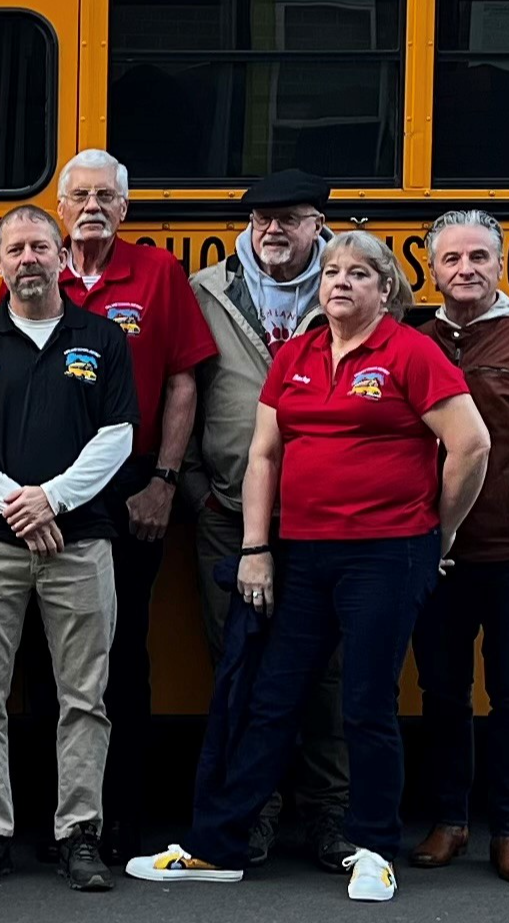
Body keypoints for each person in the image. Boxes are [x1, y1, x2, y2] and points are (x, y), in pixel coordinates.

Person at [127, 231, 491, 903]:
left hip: (387, 553)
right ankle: (220, 845)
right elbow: (264, 454)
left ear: (388, 289)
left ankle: (374, 848)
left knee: (366, 702)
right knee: (268, 698)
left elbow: (471, 445)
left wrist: (439, 532)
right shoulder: (295, 353)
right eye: (331, 272)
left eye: (359, 273)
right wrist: (258, 548)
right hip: (300, 551)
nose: (340, 282)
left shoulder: (412, 352)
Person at [0, 204, 136, 892]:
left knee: (85, 697)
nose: (27, 257)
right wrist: (20, 505)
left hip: (80, 543)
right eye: (15, 248)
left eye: (39, 246)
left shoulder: (102, 338)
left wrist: (54, 498)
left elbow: (118, 436)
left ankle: (79, 834)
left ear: (62, 258)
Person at [180, 169, 350, 869]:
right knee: (241, 666)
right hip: (226, 510)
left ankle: (330, 813)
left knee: (330, 670)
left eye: (288, 217)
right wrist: (193, 488)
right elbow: (181, 386)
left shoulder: (353, 283)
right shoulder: (207, 289)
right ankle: (254, 810)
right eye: (260, 218)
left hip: (328, 517)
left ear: (318, 223)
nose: (272, 229)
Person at [51, 150, 217, 862]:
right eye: (79, 195)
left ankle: (122, 816)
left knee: (121, 650)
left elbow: (183, 380)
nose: (92, 206)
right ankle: (57, 818)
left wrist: (165, 481)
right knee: (48, 655)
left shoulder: (157, 274)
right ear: (61, 208)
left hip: (133, 485)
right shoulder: (34, 269)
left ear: (125, 208)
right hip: (50, 489)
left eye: (105, 196)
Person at [410, 210, 509, 885]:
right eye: (451, 258)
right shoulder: (417, 340)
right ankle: (449, 820)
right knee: (441, 690)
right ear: (432, 268)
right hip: (435, 553)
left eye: (478, 256)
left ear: (501, 264)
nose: (465, 268)